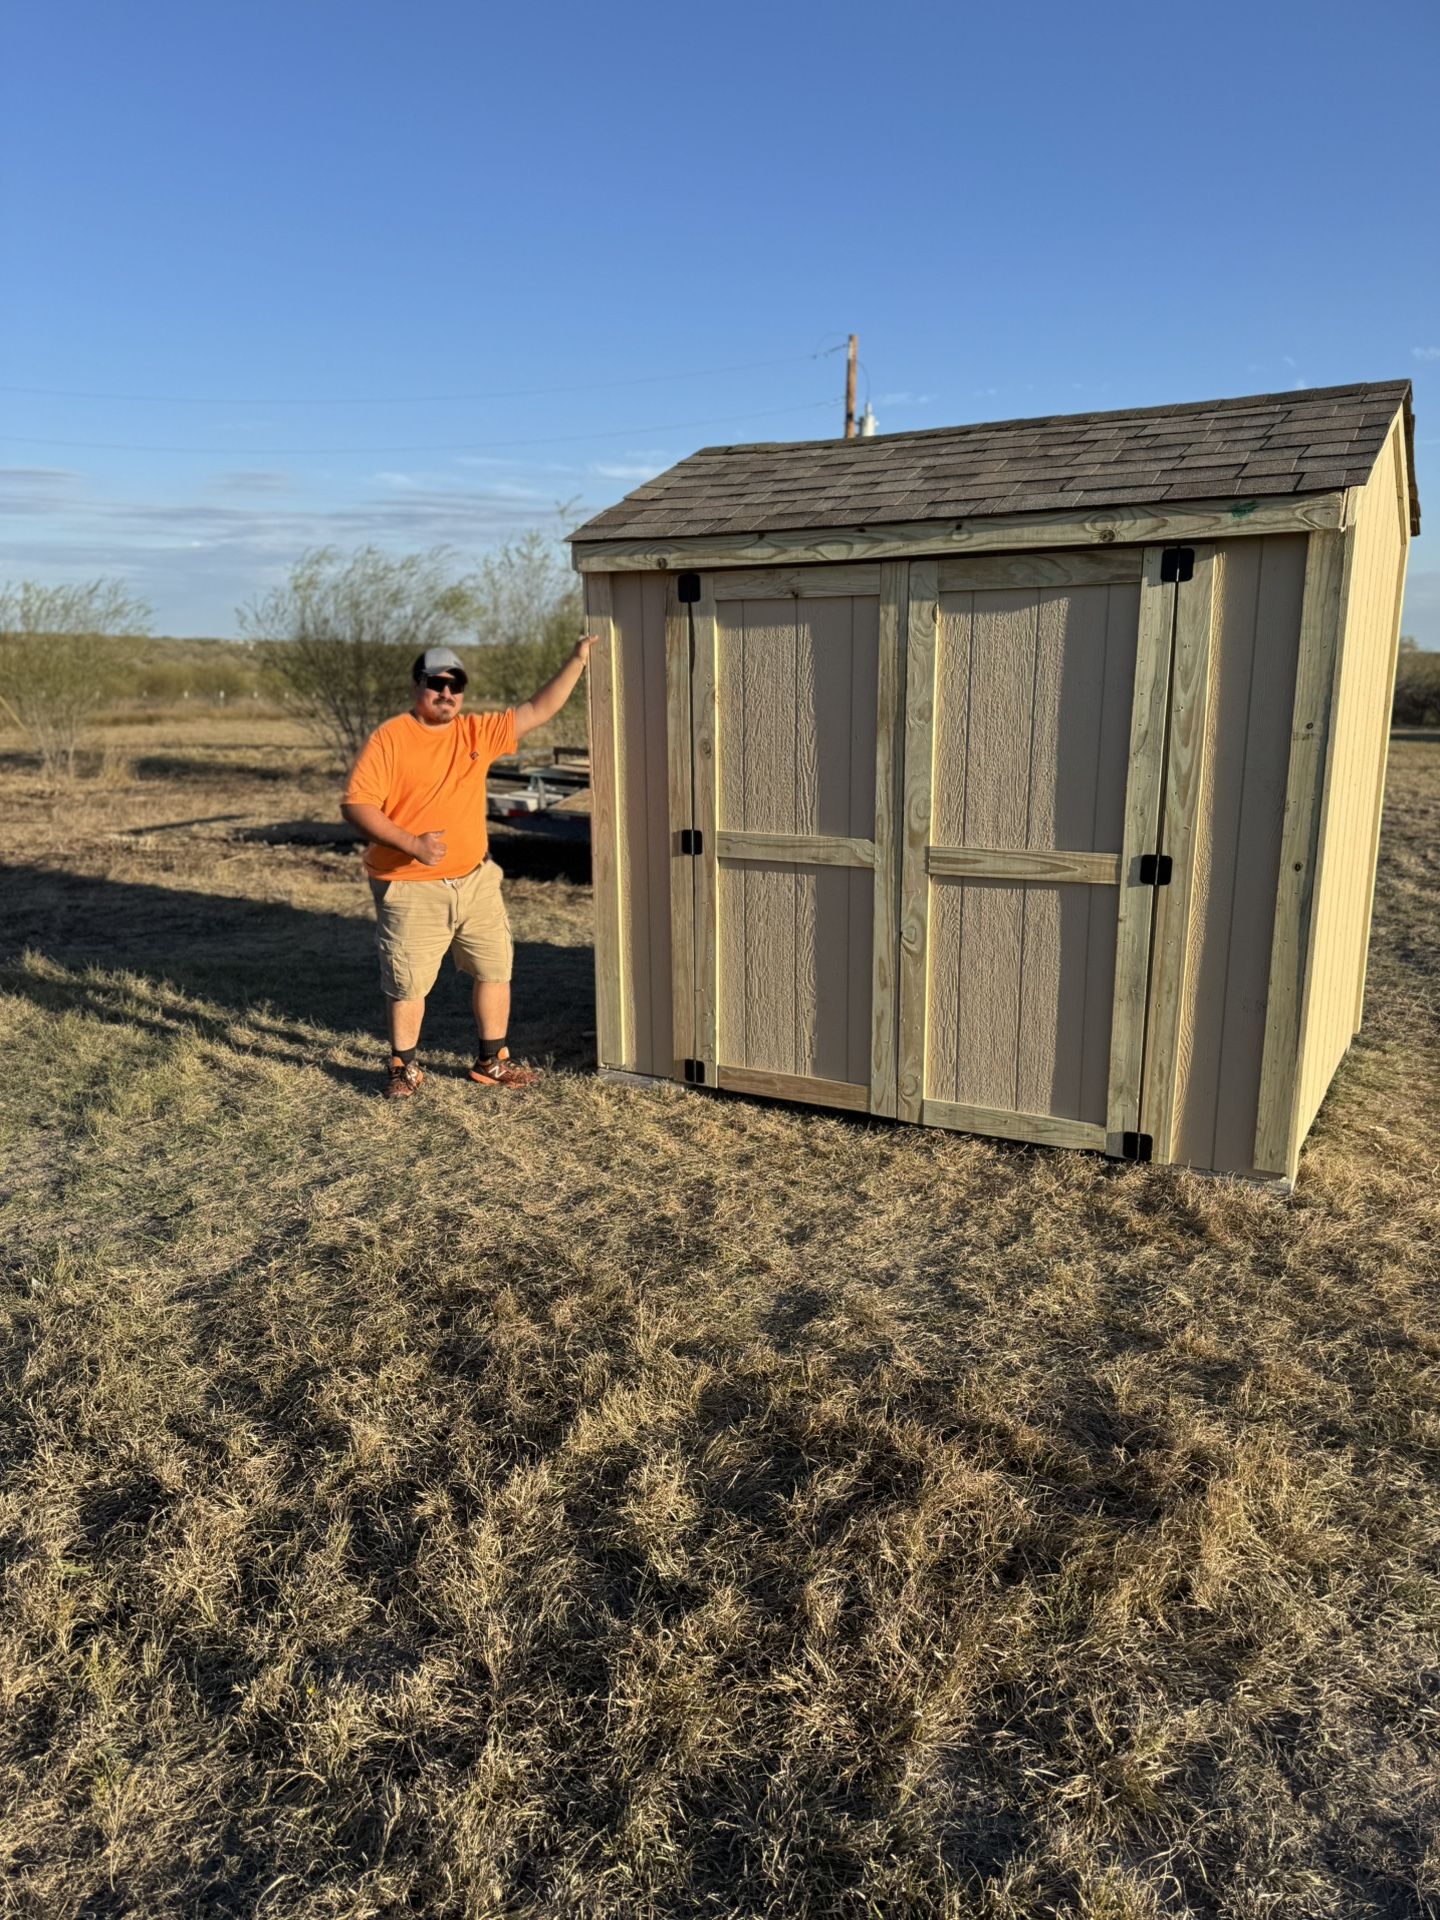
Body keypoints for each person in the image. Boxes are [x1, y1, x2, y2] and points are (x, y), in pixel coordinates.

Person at [341, 637, 597, 1098]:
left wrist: (577, 660)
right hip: (411, 884)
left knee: (494, 968)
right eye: (436, 683)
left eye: (455, 684)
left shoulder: (476, 732)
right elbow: (356, 806)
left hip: (476, 879)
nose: (446, 693)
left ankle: (491, 1062)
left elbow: (539, 708)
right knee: (409, 982)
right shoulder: (391, 738)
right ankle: (404, 1068)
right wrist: (411, 843)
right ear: (417, 686)